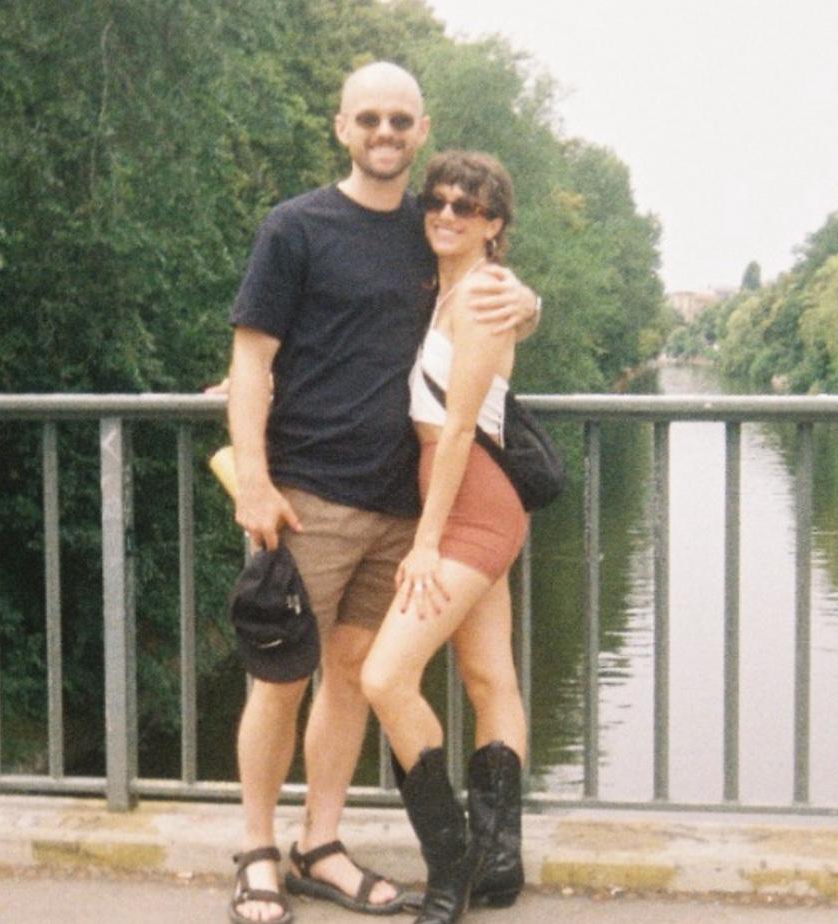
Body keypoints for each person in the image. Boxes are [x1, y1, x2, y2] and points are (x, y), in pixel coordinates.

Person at [225, 62, 539, 924]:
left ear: (421, 129)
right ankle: (256, 853)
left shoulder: (429, 229)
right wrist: (252, 478)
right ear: (342, 127)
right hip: (308, 497)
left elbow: (483, 291)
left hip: (404, 504)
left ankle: (320, 846)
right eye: (369, 118)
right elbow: (251, 357)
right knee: (278, 681)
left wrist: (527, 300)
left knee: (352, 679)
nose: (385, 132)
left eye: (401, 119)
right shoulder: (295, 227)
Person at [360, 151, 528, 924]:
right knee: (490, 679)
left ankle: (452, 861)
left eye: (468, 206)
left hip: (471, 505)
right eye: (438, 200)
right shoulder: (444, 290)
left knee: (384, 676)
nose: (448, 214)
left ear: (494, 224)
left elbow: (458, 429)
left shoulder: (484, 294)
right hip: (458, 495)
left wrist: (426, 544)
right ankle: (498, 866)